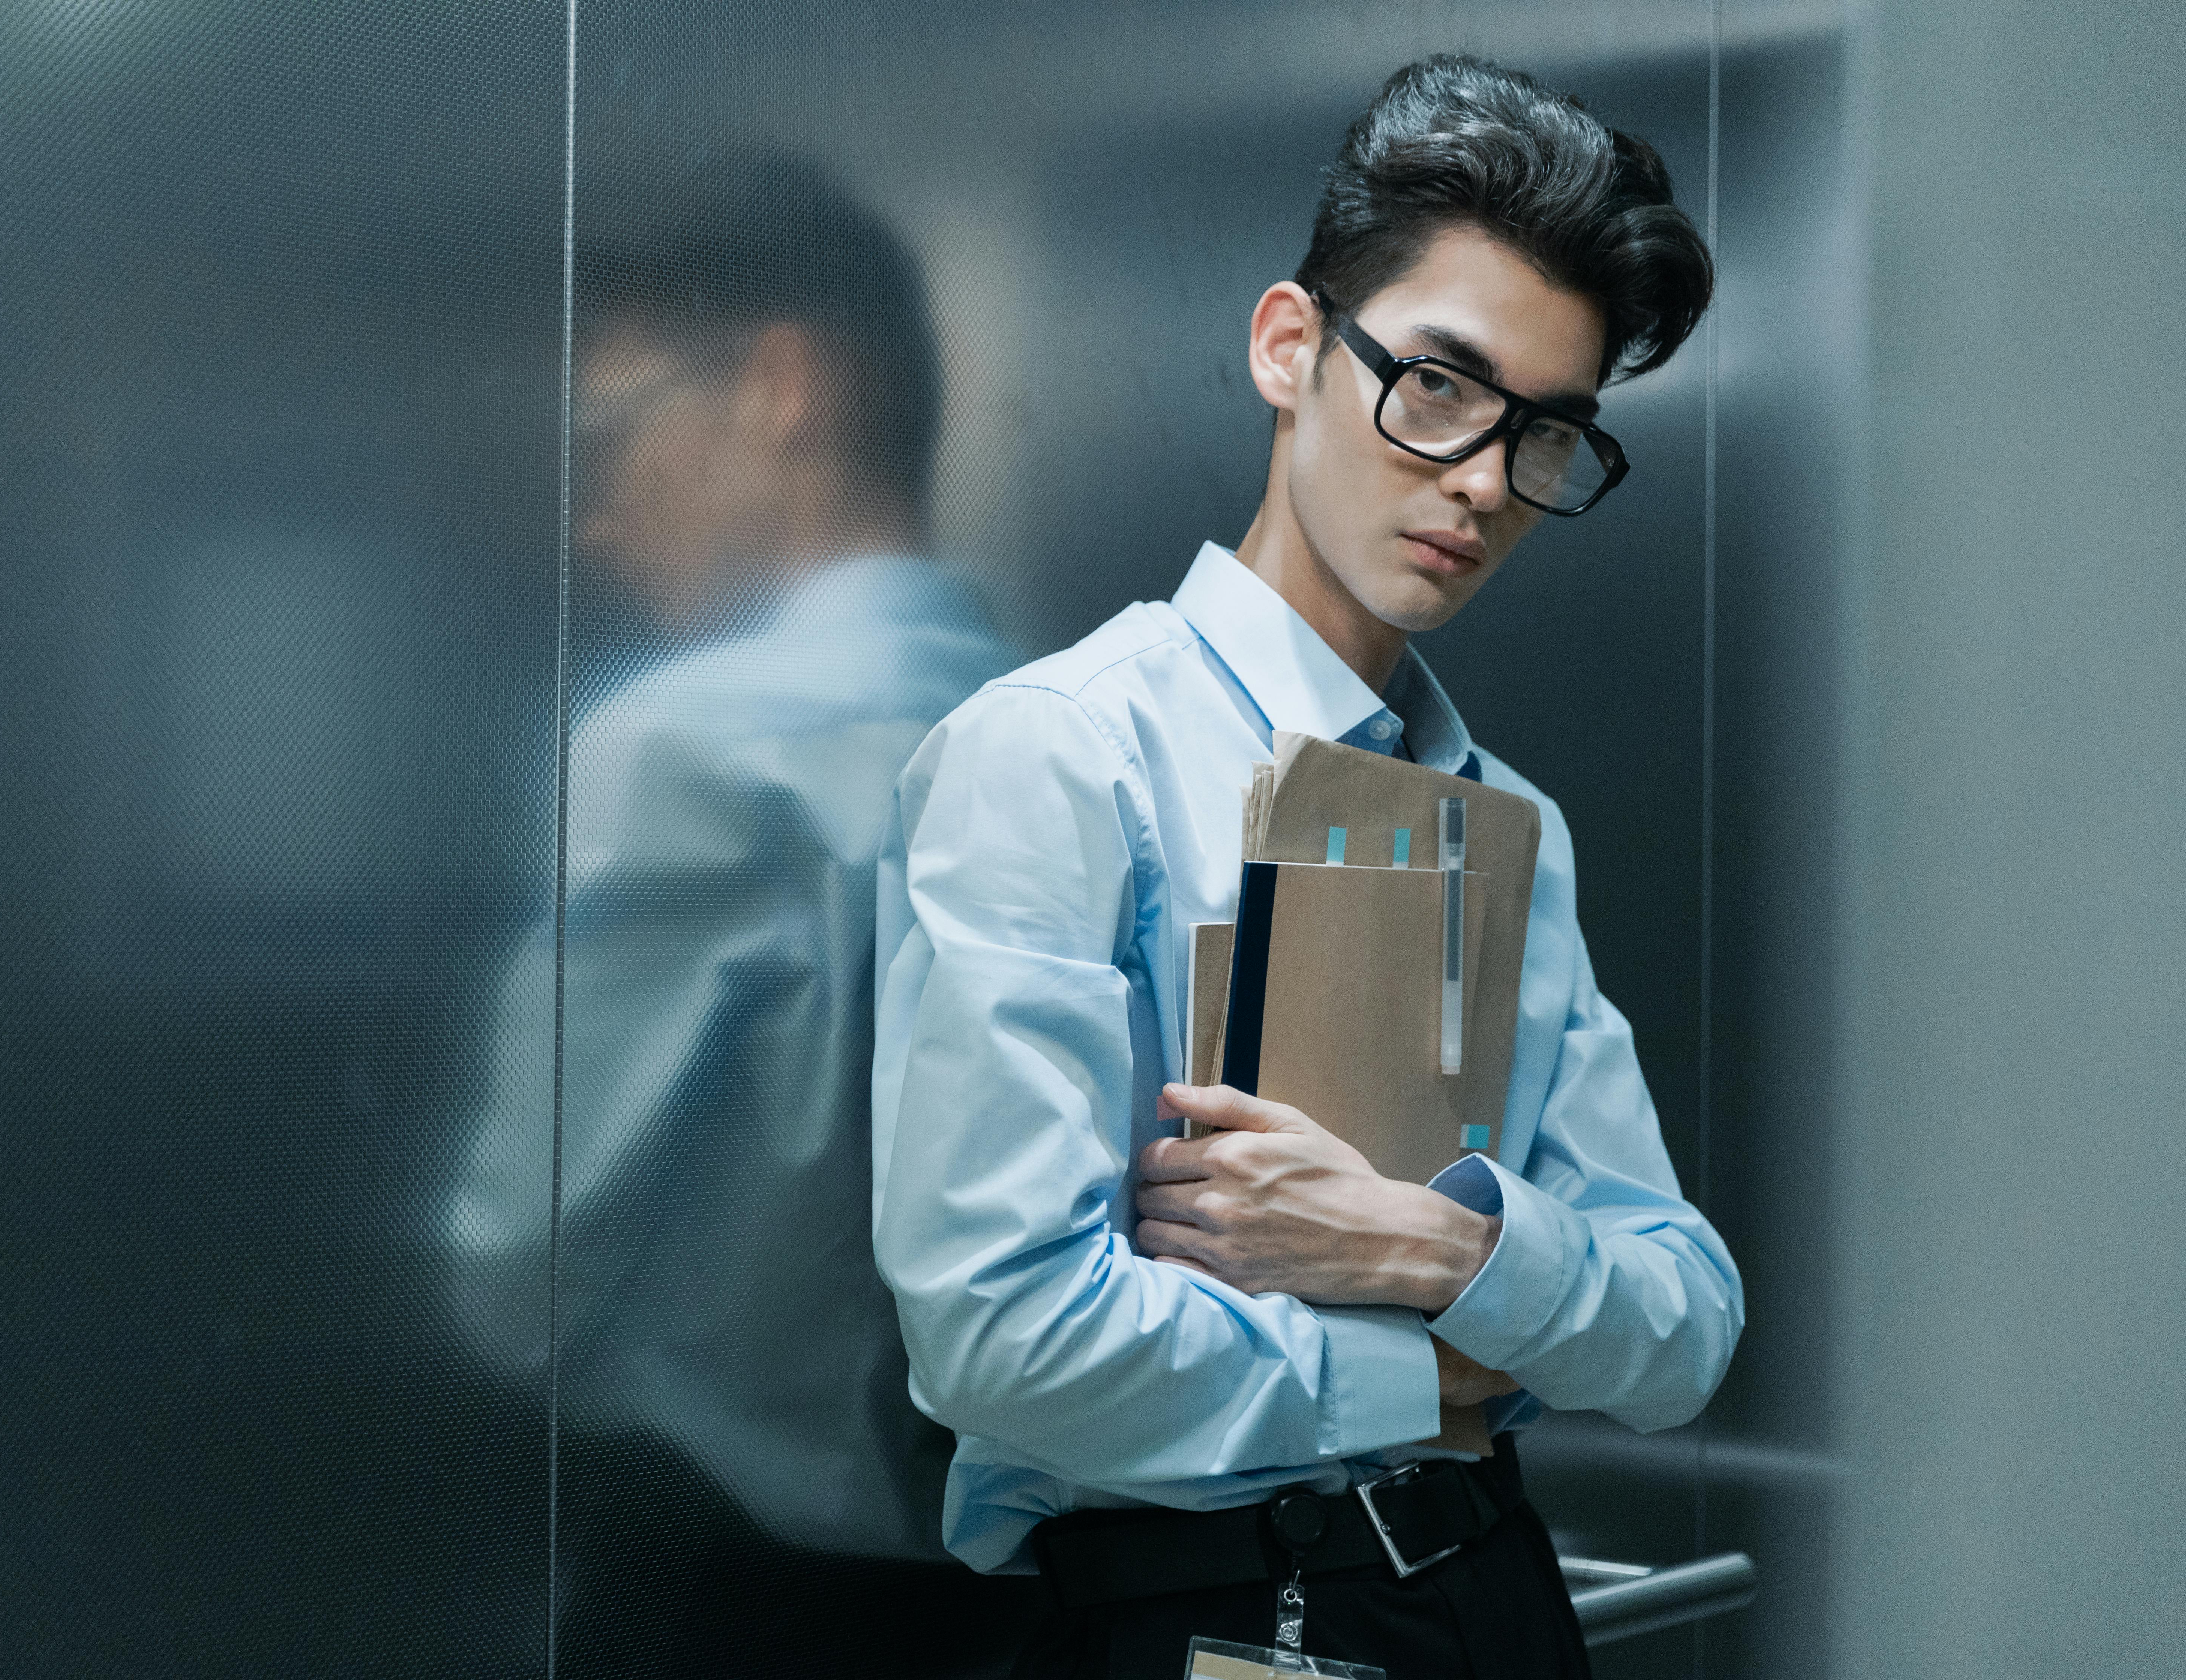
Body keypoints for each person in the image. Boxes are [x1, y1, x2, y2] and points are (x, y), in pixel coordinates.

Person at [871, 56, 1741, 1679]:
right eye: (1438, 386)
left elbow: (1685, 1315)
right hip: (1211, 1608)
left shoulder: (1508, 822)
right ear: (1292, 348)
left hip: (1499, 1596)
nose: (1486, 479)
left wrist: (1431, 1248)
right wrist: (1435, 1375)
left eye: (1551, 436)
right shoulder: (1062, 754)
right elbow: (1000, 1334)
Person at [448, 154, 1037, 1664]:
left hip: (738, 1595)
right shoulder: (1093, 735)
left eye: (612, 434)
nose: (599, 516)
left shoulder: (694, 744)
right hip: (1045, 1598)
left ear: (783, 387)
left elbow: (525, 1263)